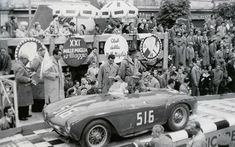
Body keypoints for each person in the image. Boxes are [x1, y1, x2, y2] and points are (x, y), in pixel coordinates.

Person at [13, 54, 35, 121]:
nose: (27, 62)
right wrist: (28, 79)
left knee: (25, 101)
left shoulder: (19, 65)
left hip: (23, 86)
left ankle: (25, 114)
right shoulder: (20, 66)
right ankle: (22, 116)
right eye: (27, 60)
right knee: (23, 102)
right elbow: (19, 77)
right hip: (22, 87)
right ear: (23, 59)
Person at [30, 47, 45, 112]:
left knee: (41, 96)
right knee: (37, 95)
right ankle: (36, 109)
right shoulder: (37, 58)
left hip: (41, 79)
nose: (44, 53)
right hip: (37, 79)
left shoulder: (43, 59)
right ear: (39, 52)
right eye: (43, 52)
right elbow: (33, 68)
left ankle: (40, 109)